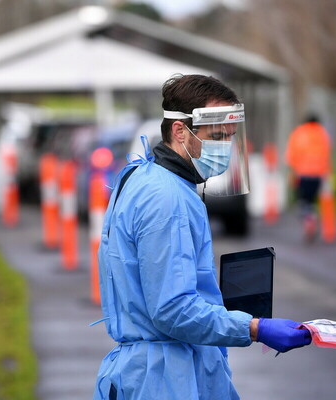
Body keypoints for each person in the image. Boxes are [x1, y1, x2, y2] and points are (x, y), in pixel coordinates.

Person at [92, 74, 311, 400]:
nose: (226, 147)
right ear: (180, 131)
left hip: (160, 370)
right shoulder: (166, 198)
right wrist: (254, 329)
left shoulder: (146, 176)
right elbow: (172, 310)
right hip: (165, 378)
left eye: (231, 137)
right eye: (218, 136)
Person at [284, 113, 332, 241]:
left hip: (303, 174)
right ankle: (312, 218)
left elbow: (292, 154)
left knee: (303, 201)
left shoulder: (299, 133)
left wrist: (291, 173)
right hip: (318, 175)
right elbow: (327, 154)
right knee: (311, 200)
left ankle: (309, 222)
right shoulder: (323, 134)